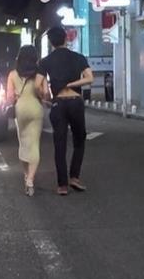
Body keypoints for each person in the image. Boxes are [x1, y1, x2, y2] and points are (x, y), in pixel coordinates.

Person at [39, 25, 94, 196]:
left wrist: (47, 95)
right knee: (79, 140)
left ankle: (62, 185)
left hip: (59, 103)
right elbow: (90, 78)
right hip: (76, 102)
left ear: (51, 42)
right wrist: (72, 84)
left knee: (59, 143)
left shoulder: (45, 61)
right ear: (65, 38)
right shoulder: (78, 57)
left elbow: (39, 85)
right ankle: (74, 177)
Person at [6, 45, 48, 196]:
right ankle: (30, 179)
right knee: (34, 144)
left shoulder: (12, 75)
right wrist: (40, 92)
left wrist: (16, 97)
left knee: (23, 143)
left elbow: (9, 97)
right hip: (36, 109)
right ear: (35, 58)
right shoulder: (40, 74)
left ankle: (26, 175)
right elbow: (46, 94)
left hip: (21, 110)